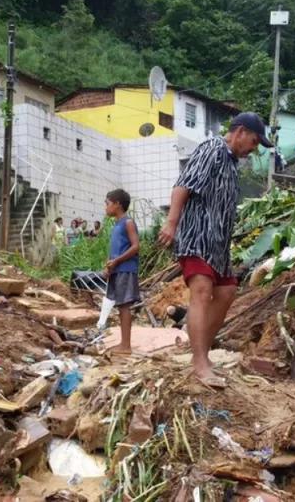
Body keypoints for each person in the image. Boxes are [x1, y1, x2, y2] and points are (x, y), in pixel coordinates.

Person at [157, 112, 271, 388]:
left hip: (217, 245)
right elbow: (182, 186)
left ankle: (202, 354)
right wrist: (171, 223)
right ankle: (198, 363)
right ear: (240, 131)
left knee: (227, 292)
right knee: (201, 293)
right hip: (197, 237)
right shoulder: (212, 150)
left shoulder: (230, 163)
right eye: (254, 141)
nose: (253, 149)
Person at [103, 189, 140, 355]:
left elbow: (135, 246)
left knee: (124, 306)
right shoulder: (117, 224)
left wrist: (117, 261)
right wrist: (110, 266)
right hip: (118, 269)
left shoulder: (128, 222)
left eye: (107, 203)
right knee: (120, 306)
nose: (105, 207)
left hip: (125, 269)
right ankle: (124, 343)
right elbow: (116, 249)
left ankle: (126, 345)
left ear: (117, 205)